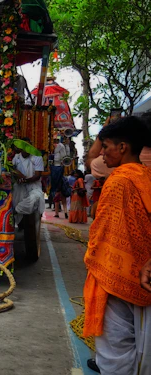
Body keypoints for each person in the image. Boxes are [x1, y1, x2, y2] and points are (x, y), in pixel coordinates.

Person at [83, 116, 151, 374]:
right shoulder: (146, 176)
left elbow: (104, 231)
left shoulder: (119, 181)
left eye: (107, 146)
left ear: (123, 148)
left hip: (115, 274)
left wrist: (95, 257)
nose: (102, 153)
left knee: (116, 342)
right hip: (144, 273)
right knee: (140, 338)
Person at [11, 139, 45, 226]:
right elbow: (12, 170)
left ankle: (16, 210)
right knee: (13, 198)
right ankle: (16, 219)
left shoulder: (37, 157)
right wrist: (17, 176)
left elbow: (37, 176)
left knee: (36, 198)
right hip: (19, 186)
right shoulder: (16, 157)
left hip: (34, 186)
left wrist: (25, 180)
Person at [51, 138, 68, 219]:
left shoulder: (60, 146)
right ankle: (65, 212)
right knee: (63, 200)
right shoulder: (61, 146)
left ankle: (57, 213)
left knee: (57, 200)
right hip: (62, 187)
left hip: (58, 187)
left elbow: (63, 157)